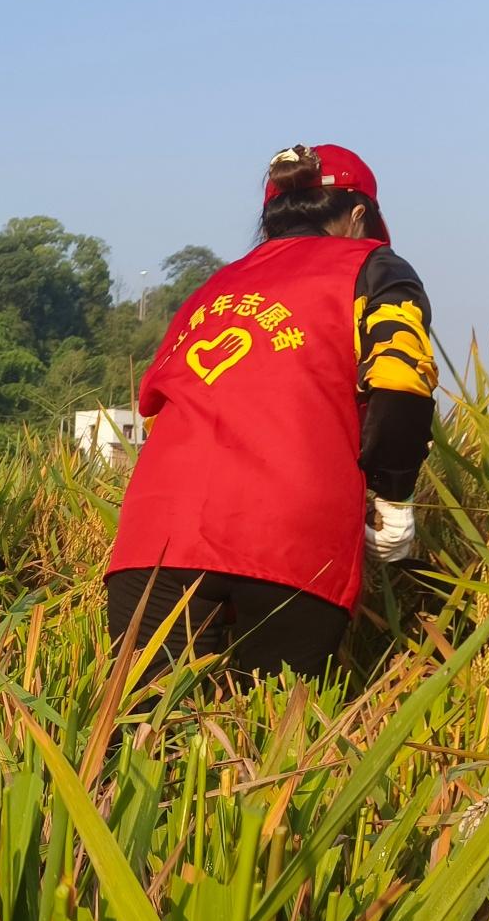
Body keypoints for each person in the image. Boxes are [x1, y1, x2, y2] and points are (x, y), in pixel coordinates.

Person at [106, 143, 437, 679]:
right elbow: (400, 382)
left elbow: (155, 407)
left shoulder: (214, 286)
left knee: (138, 732)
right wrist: (395, 497)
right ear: (358, 216)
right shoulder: (374, 267)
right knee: (274, 736)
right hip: (290, 537)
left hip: (159, 529)